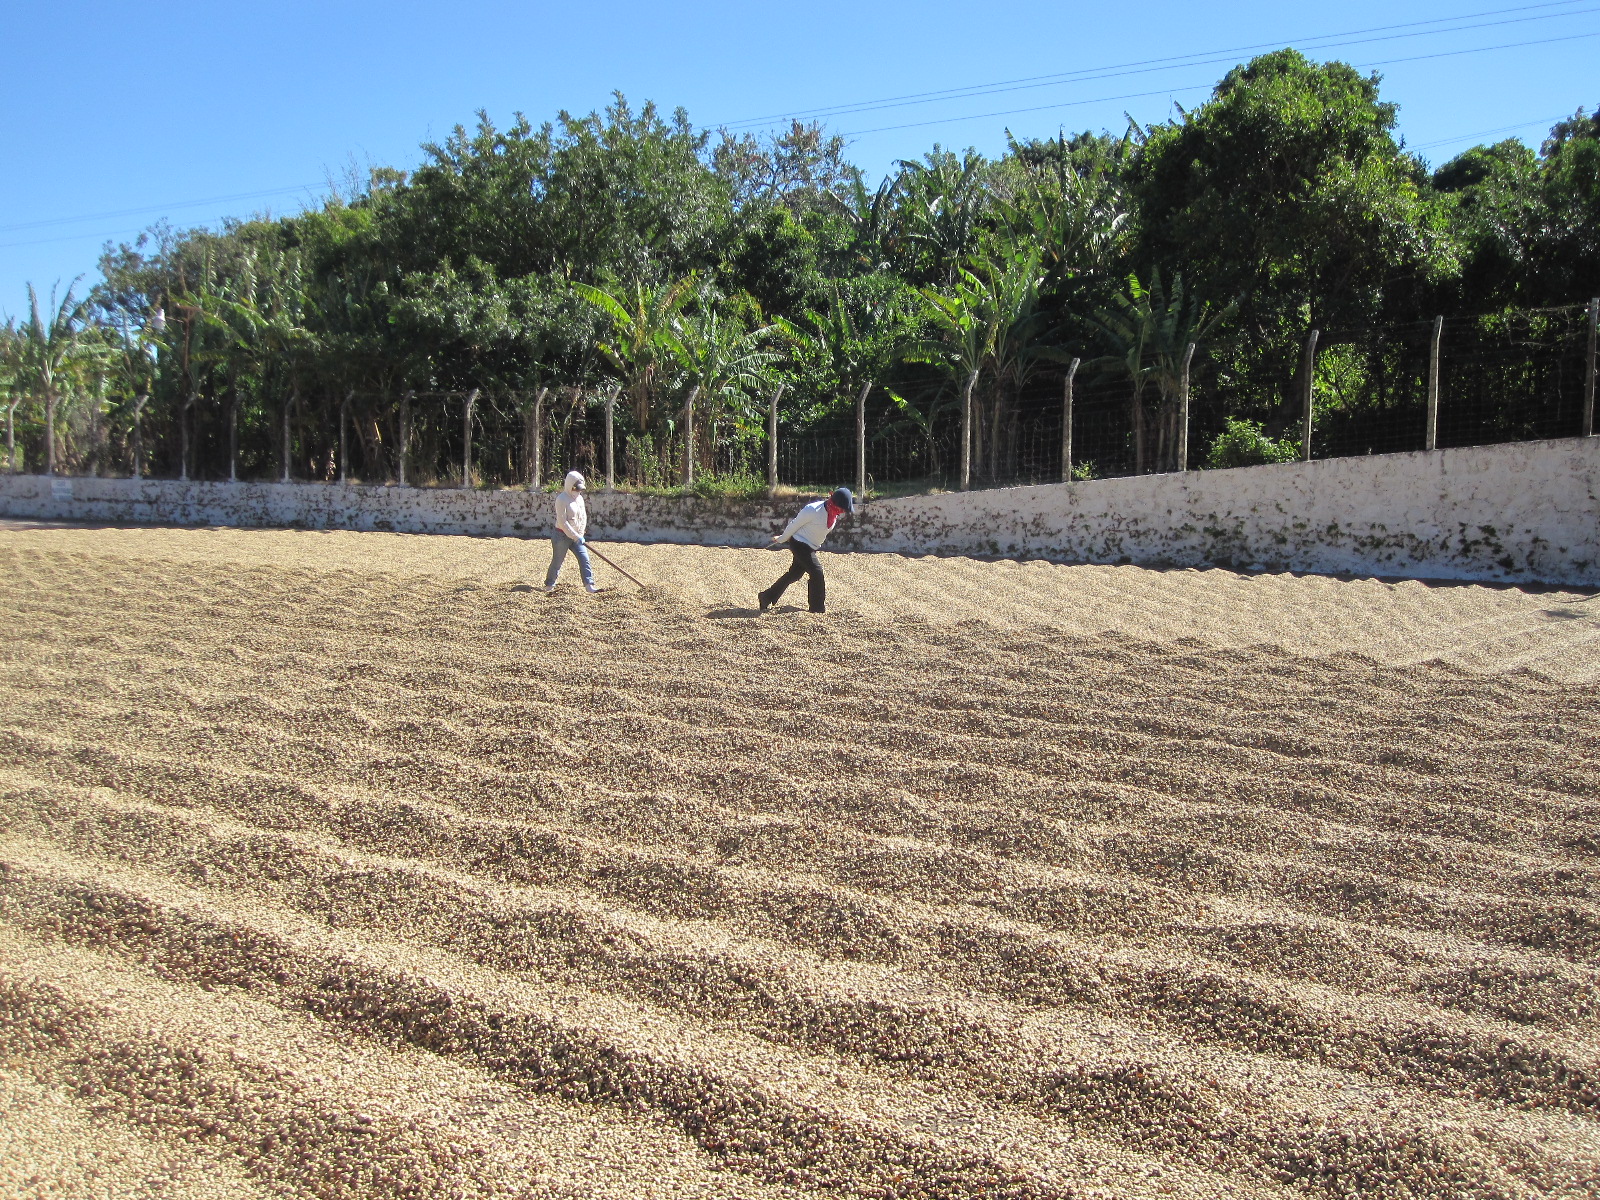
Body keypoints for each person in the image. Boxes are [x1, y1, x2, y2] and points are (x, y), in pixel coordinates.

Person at [758, 487, 854, 614]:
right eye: (841, 508)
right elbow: (794, 525)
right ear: (834, 503)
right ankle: (817, 609)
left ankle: (766, 597)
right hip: (799, 544)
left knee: (794, 574)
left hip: (810, 547)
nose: (842, 512)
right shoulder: (812, 510)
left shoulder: (833, 514)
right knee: (817, 572)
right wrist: (781, 539)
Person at [544, 470, 605, 593]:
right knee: (557, 561)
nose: (578, 491)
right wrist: (575, 535)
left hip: (577, 537)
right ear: (569, 486)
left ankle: (589, 585)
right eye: (576, 489)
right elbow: (562, 522)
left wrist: (580, 533)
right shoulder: (561, 499)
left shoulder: (580, 499)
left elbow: (583, 517)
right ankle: (549, 585)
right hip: (561, 536)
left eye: (580, 489)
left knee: (584, 559)